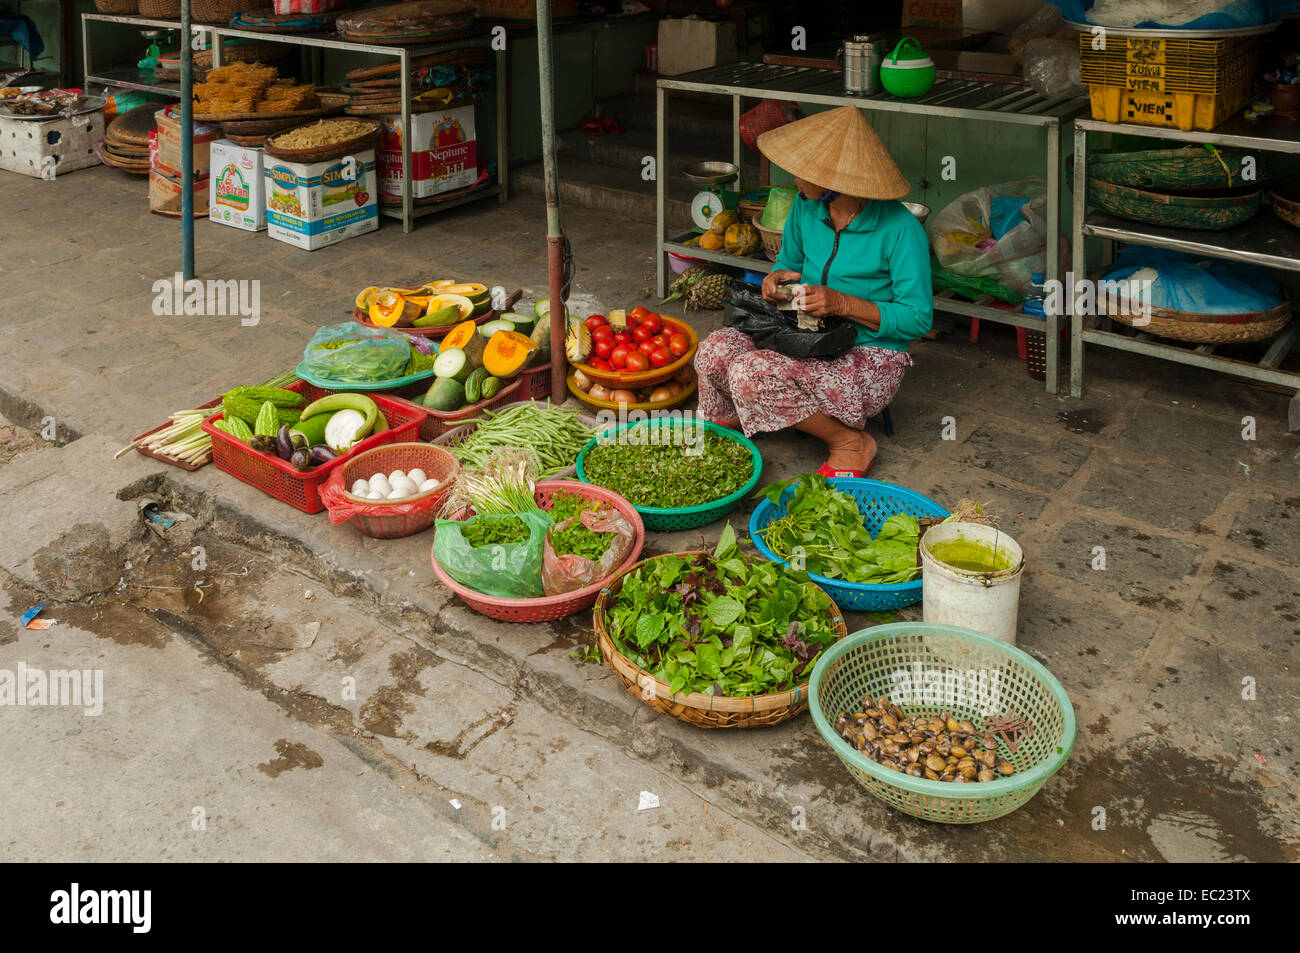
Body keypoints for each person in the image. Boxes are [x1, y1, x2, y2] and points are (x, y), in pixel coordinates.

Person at [694, 106, 932, 477]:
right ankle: (727, 428)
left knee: (749, 372)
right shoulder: (806, 209)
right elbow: (788, 260)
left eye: (803, 171)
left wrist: (841, 302)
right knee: (713, 352)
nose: (794, 178)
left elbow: (917, 319)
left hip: (868, 354)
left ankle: (849, 441)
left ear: (833, 182)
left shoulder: (900, 229)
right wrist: (777, 281)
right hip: (803, 333)